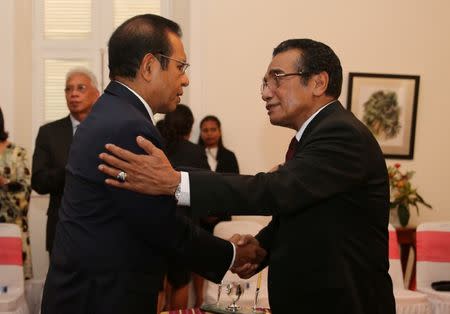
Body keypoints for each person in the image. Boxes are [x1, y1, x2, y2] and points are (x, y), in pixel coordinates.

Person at [98, 38, 396, 314]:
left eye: (276, 79)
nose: (265, 92)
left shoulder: (341, 133)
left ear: (318, 82)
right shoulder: (316, 135)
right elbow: (299, 206)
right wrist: (261, 247)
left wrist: (176, 182)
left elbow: (276, 190)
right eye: (264, 82)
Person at [41, 14, 265, 314]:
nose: (185, 78)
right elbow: (160, 224)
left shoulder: (113, 112)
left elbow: (169, 179)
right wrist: (233, 254)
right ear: (149, 66)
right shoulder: (127, 125)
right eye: (180, 66)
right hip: (101, 299)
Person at [31, 67, 99, 255]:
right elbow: (38, 181)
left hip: (102, 230)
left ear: (96, 94)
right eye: (68, 89)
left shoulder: (109, 131)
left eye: (81, 88)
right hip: (62, 230)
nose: (73, 94)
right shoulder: (49, 133)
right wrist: (70, 171)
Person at [161, 104, 210, 310]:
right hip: (183, 224)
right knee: (180, 281)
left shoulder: (157, 146)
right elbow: (206, 189)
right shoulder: (196, 152)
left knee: (159, 285)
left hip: (155, 222)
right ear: (190, 127)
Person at [0, 107, 33, 279]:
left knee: (12, 291)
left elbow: (24, 197)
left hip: (13, 232)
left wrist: (3, 182)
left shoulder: (17, 153)